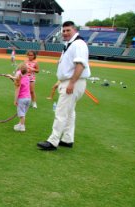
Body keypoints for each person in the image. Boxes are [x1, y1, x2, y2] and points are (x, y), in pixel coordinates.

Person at [37, 21, 91, 151]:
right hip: (69, 81)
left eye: (68, 30)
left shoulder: (78, 44)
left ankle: (53, 141)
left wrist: (71, 83)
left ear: (74, 30)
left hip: (73, 82)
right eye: (64, 31)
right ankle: (67, 139)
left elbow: (80, 65)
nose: (65, 33)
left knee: (61, 112)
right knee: (70, 112)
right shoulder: (70, 44)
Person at [12, 63, 31, 132]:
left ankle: (22, 126)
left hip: (22, 98)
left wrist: (15, 100)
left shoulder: (19, 81)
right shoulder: (27, 78)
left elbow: (17, 91)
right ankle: (20, 124)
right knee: (23, 112)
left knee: (21, 114)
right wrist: (11, 77)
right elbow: (19, 76)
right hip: (28, 98)